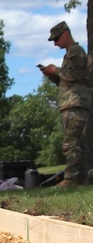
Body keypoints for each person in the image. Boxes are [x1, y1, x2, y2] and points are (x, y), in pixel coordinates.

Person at [40, 20, 90, 186]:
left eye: (56, 39)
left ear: (66, 34)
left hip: (75, 103)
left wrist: (57, 70)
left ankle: (71, 179)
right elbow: (68, 82)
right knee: (77, 142)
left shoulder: (76, 52)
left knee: (71, 143)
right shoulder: (70, 53)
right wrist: (52, 75)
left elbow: (75, 76)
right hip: (72, 102)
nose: (55, 43)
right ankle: (81, 177)